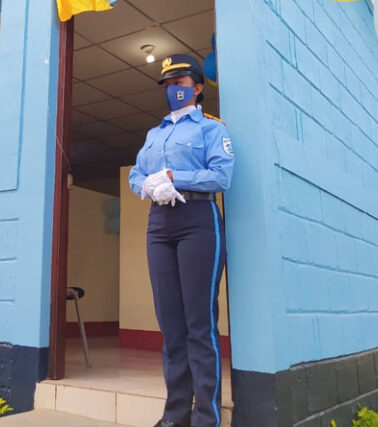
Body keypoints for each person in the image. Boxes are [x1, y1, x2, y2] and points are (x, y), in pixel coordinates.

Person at [128, 53, 234, 427]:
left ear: (198, 87)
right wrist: (149, 185)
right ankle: (175, 415)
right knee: (170, 324)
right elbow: (136, 175)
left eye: (181, 83)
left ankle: (206, 417)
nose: (174, 89)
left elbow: (221, 178)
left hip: (198, 220)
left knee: (198, 323)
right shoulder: (152, 135)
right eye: (168, 85)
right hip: (160, 223)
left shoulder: (210, 129)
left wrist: (176, 179)